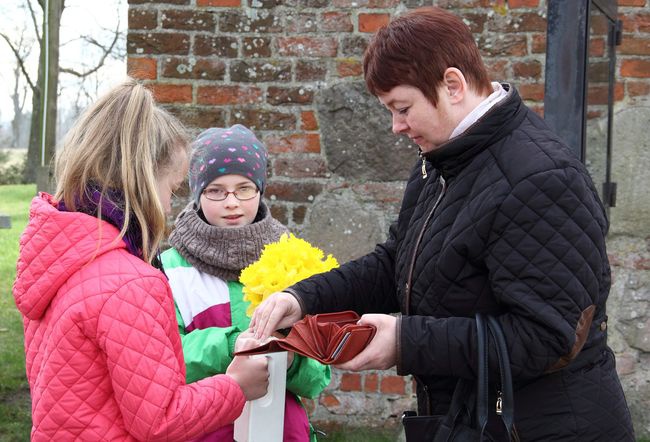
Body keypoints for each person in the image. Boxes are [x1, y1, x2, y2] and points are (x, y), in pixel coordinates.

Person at [250, 6, 635, 441]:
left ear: (452, 85)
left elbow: (547, 338)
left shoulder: (542, 179)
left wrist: (405, 341)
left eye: (403, 108)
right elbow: (398, 261)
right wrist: (303, 298)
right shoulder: (443, 158)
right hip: (474, 420)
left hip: (549, 427)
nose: (396, 126)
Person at [12, 79, 269, 441]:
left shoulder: (57, 262)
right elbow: (161, 420)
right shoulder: (133, 284)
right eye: (172, 189)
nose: (168, 206)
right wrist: (235, 386)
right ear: (143, 181)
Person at [160, 124, 331, 441]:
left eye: (244, 188)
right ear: (197, 194)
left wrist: (292, 360)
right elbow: (163, 359)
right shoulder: (169, 269)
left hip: (281, 430)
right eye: (215, 190)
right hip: (204, 429)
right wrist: (229, 347)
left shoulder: (292, 260)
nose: (232, 202)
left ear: (260, 189)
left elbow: (317, 377)